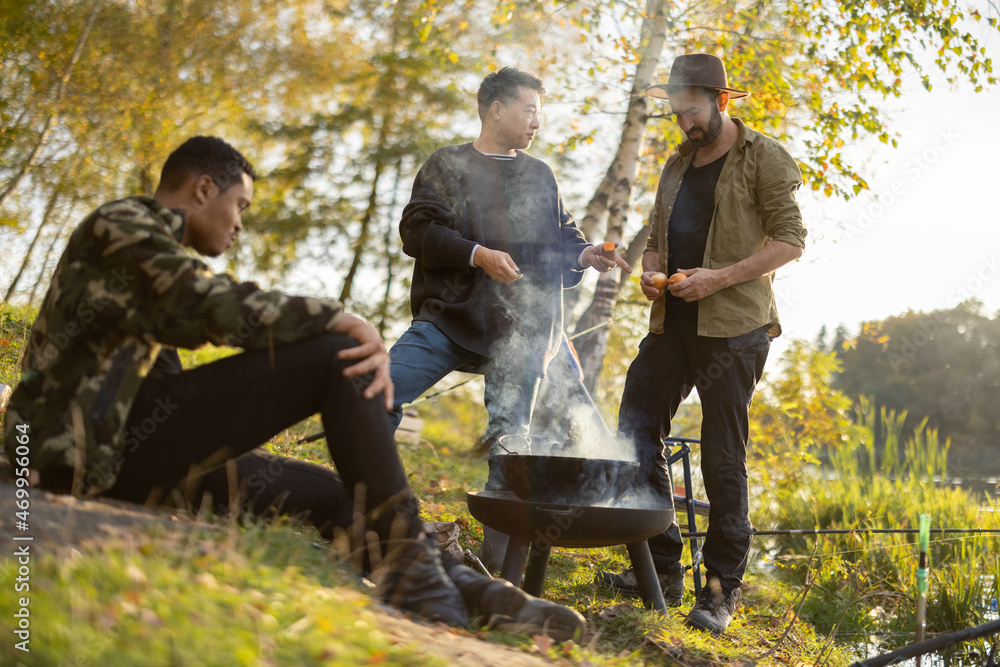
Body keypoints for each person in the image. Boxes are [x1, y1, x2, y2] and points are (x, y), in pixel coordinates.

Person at [2, 136, 585, 640]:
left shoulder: (143, 256)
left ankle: (463, 587)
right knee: (336, 354)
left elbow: (169, 360)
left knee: (335, 498)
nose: (238, 224)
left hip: (129, 452)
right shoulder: (120, 225)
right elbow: (197, 304)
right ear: (203, 190)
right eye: (239, 206)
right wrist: (335, 318)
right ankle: (419, 581)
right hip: (92, 457)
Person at [388, 67, 630, 570]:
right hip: (451, 319)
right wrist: (477, 254)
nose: (537, 119)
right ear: (495, 108)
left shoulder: (540, 174)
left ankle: (498, 568)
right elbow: (417, 231)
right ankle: (365, 508)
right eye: (529, 107)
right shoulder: (447, 164)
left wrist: (587, 254)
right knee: (378, 393)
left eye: (540, 110)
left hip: (519, 333)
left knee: (510, 444)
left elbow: (563, 236)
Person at [597, 54, 807, 635]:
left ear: (721, 100)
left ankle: (718, 592)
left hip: (735, 327)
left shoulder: (763, 156)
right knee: (634, 429)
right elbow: (656, 240)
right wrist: (650, 269)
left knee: (721, 454)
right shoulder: (676, 163)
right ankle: (661, 564)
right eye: (676, 112)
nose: (684, 123)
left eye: (692, 111)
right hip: (672, 326)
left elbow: (790, 241)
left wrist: (716, 277)